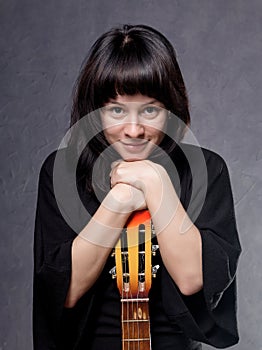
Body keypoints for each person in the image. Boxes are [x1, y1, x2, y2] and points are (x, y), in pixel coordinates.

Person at [33, 24, 241, 350]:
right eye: (116, 109)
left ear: (172, 109)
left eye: (150, 110)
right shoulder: (62, 172)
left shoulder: (208, 170)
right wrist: (118, 202)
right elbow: (65, 289)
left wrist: (156, 183)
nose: (133, 130)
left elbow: (193, 280)